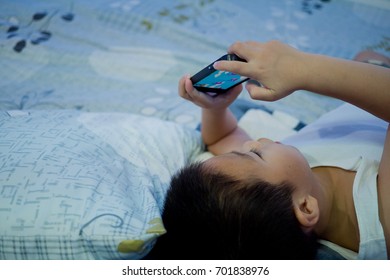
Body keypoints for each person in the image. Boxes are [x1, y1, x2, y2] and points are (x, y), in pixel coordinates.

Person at [149, 40, 390, 260]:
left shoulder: (287, 181)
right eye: (255, 154)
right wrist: (303, 68)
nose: (251, 142)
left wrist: (215, 108)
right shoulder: (380, 219)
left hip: (363, 101)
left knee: (365, 55)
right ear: (306, 208)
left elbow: (222, 137)